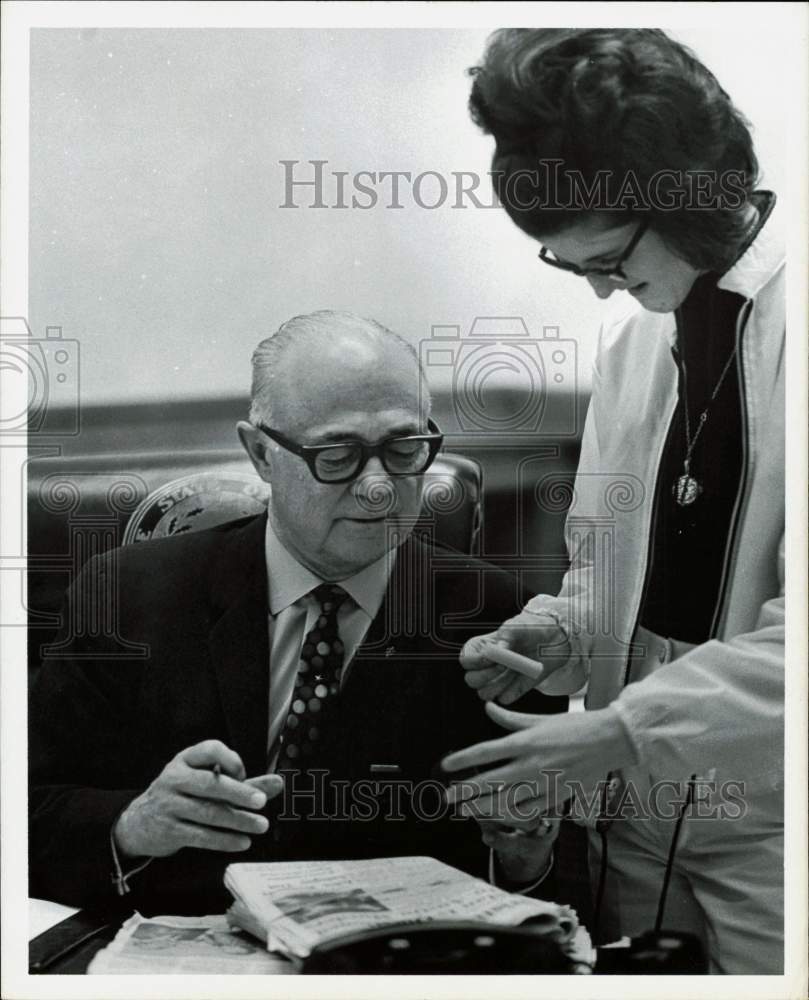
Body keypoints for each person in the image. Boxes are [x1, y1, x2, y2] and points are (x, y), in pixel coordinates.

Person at [29, 310, 566, 914]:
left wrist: (526, 858)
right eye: (337, 455)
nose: (378, 487)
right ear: (261, 453)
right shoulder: (125, 595)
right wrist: (133, 824)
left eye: (404, 448)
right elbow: (31, 812)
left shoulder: (497, 620)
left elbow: (555, 881)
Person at [441, 29, 784, 974]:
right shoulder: (639, 349)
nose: (599, 290)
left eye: (607, 255)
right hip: (632, 821)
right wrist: (559, 630)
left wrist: (626, 726)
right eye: (568, 263)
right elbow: (605, 566)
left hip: (776, 833)